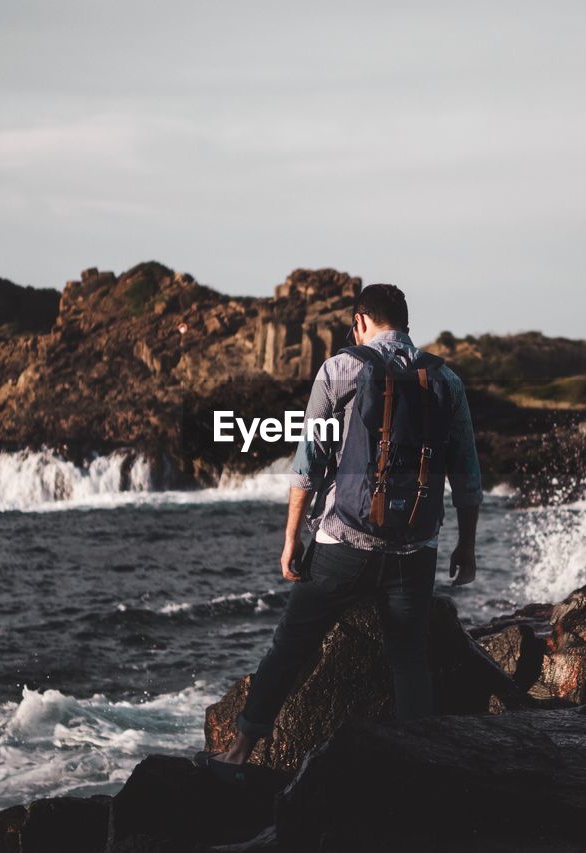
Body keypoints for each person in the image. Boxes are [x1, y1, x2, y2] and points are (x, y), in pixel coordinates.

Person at [193, 283, 483, 775]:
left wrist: (292, 540)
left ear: (360, 321)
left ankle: (239, 751)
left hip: (344, 544)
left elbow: (308, 463)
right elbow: (467, 477)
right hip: (415, 548)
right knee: (409, 658)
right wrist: (467, 547)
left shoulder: (340, 368)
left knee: (292, 644)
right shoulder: (446, 381)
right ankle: (420, 772)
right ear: (406, 323)